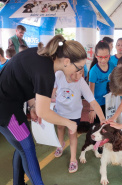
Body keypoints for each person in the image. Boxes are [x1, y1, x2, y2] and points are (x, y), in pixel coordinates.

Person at [0, 34, 86, 184]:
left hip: (10, 104)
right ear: (66, 61)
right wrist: (69, 123)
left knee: (23, 148)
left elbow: (23, 78)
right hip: (6, 111)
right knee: (27, 148)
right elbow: (44, 113)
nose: (80, 71)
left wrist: (32, 104)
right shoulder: (46, 73)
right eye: (79, 67)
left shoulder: (40, 55)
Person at [52, 69, 105, 173]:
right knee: (60, 127)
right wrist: (51, 99)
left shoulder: (81, 82)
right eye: (74, 72)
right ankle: (60, 144)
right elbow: (53, 88)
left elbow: (93, 101)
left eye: (80, 73)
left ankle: (73, 159)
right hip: (60, 110)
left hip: (74, 113)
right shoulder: (59, 74)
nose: (77, 76)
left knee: (72, 134)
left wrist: (102, 118)